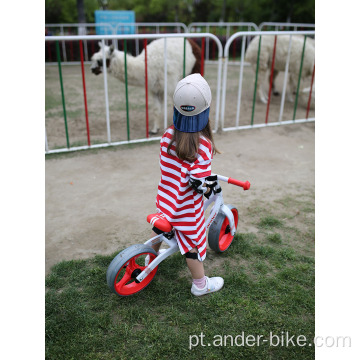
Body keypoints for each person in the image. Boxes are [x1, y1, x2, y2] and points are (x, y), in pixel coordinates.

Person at [150, 73, 224, 296]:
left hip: (166, 198)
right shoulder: (203, 147)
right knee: (192, 244)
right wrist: (210, 186)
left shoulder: (166, 137)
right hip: (186, 209)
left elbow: (171, 168)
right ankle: (200, 284)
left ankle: (148, 257)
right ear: (206, 113)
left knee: (160, 228)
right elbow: (199, 181)